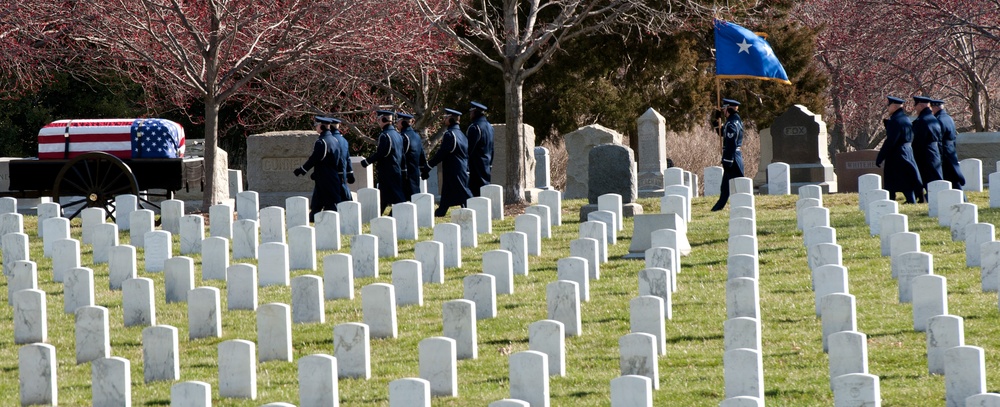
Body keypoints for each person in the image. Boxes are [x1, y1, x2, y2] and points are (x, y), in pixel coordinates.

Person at [293, 116, 354, 222]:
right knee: (318, 202)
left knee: (330, 203)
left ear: (321, 126)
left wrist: (302, 170)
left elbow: (314, 159)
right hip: (330, 177)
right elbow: (340, 161)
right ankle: (312, 218)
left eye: (316, 125)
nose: (316, 127)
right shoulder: (334, 140)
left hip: (325, 178)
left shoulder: (322, 142)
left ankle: (334, 221)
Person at [875, 96, 923, 203]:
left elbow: (891, 141)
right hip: (906, 151)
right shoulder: (905, 119)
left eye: (889, 105)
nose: (887, 108)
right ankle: (909, 199)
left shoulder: (895, 121)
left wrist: (880, 157)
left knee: (897, 178)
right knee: (906, 177)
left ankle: (894, 200)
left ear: (894, 106)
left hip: (897, 153)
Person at [427, 108, 472, 217]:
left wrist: (429, 165)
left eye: (446, 117)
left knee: (464, 195)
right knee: (447, 192)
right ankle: (441, 211)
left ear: (451, 119)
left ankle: (473, 209)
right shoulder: (461, 134)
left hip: (454, 170)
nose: (444, 119)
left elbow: (442, 153)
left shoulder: (450, 134)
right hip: (459, 169)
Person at [361, 110, 406, 215]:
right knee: (383, 196)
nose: (378, 122)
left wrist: (367, 161)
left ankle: (404, 211)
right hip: (395, 169)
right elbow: (402, 154)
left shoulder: (385, 135)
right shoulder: (398, 134)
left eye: (379, 120)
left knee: (398, 196)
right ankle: (376, 215)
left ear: (383, 119)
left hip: (388, 170)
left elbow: (382, 153)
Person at [711, 98, 745, 212]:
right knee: (725, 187)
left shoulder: (731, 123)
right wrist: (717, 123)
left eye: (724, 108)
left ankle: (743, 205)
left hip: (733, 157)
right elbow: (723, 134)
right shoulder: (734, 120)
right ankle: (717, 207)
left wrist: (728, 160)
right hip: (733, 156)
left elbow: (731, 143)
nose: (723, 111)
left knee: (739, 185)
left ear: (728, 109)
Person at [910, 95, 944, 202]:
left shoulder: (922, 121)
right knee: (935, 175)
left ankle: (931, 198)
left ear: (920, 105)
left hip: (925, 153)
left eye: (916, 105)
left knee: (929, 177)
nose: (915, 108)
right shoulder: (933, 119)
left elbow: (919, 140)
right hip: (934, 152)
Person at [932, 98, 965, 191]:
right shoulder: (948, 118)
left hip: (944, 150)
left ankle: (960, 196)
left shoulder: (938, 119)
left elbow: (939, 138)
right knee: (953, 174)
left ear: (935, 107)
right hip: (951, 149)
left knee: (950, 176)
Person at [397, 112, 431, 198]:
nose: (397, 124)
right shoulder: (416, 136)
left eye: (398, 121)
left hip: (405, 173)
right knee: (414, 198)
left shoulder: (403, 136)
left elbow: (400, 155)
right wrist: (423, 169)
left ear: (402, 123)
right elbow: (421, 154)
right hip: (414, 173)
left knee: (403, 200)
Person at [466, 101, 494, 197]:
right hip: (487, 163)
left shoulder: (475, 127)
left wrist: (466, 164)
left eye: (471, 112)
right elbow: (492, 148)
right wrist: (490, 164)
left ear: (474, 112)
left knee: (475, 193)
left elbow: (469, 149)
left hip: (476, 164)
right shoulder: (489, 127)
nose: (470, 115)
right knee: (485, 191)